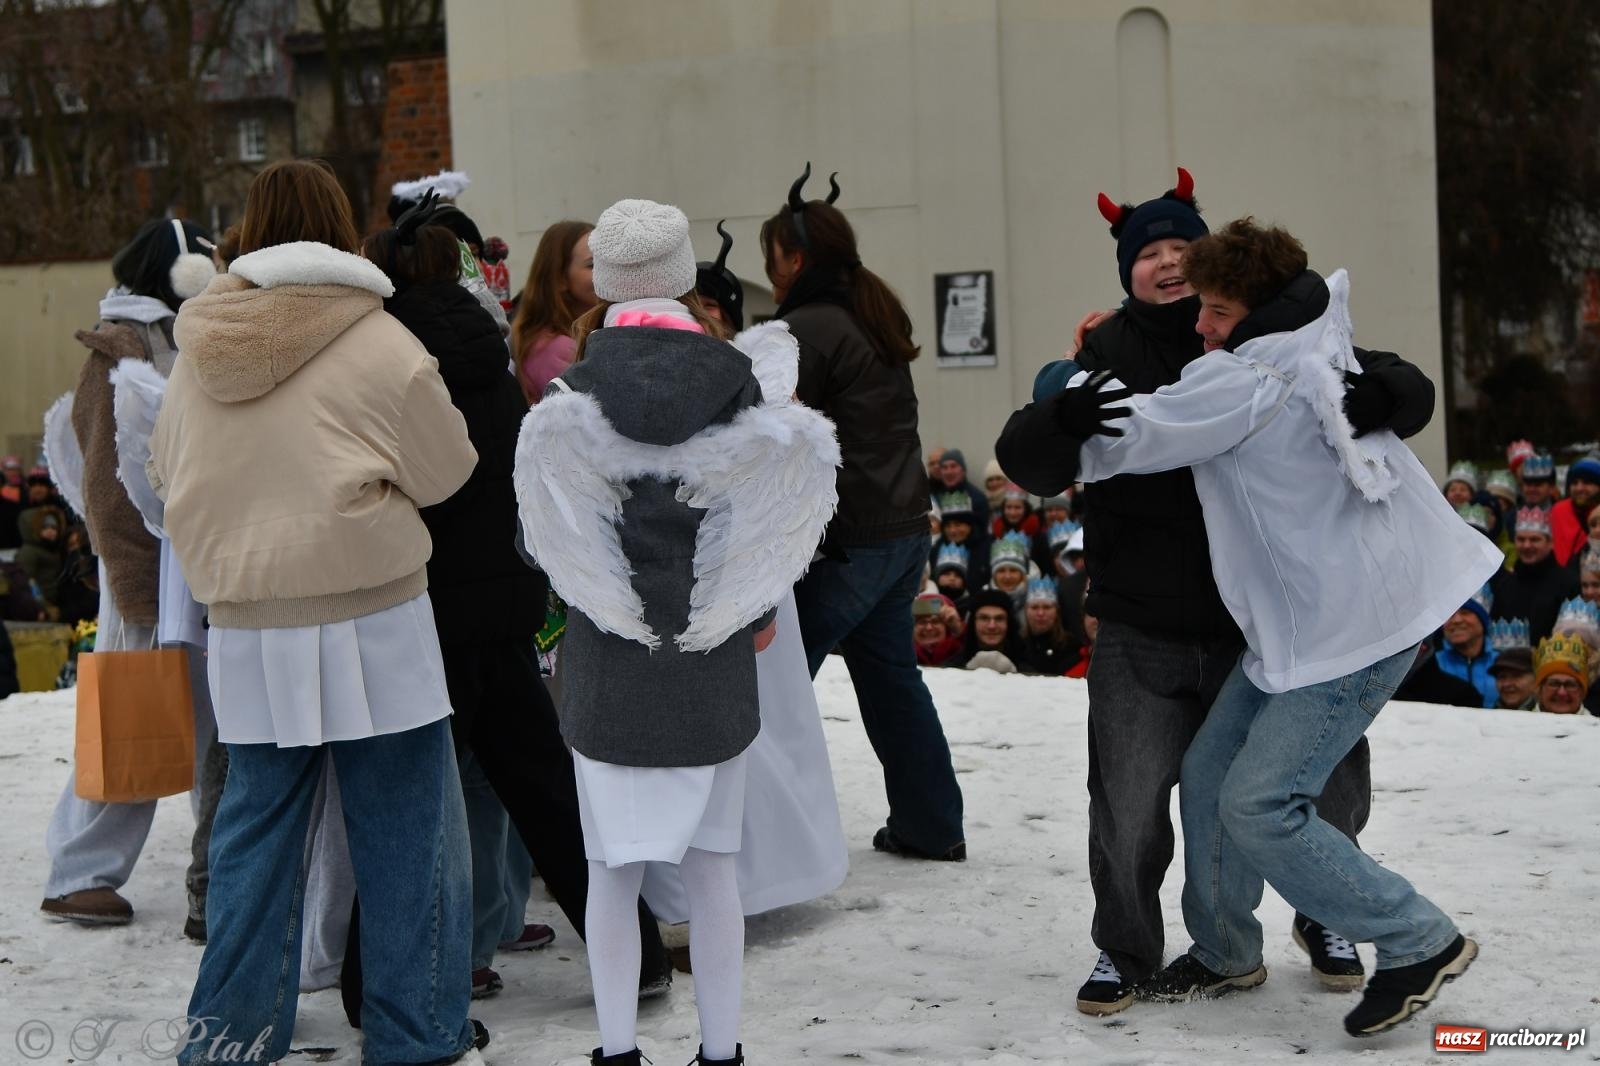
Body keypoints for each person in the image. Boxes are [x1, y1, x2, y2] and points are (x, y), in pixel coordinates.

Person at [994, 172, 1435, 1014]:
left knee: (1324, 781)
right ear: (1125, 273)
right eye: (1147, 253)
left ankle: (1328, 916)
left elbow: (1391, 380)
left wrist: (1393, 392)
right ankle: (1128, 947)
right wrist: (1058, 416)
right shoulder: (1106, 351)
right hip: (1143, 619)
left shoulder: (1280, 334)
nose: (1166, 264)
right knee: (1129, 802)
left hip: (1262, 621)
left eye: (1180, 247)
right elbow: (1038, 447)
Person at [1057, 217, 1499, 1036]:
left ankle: (1417, 938)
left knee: (1261, 803)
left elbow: (1130, 434)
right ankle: (1227, 950)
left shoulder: (1252, 377)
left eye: (1218, 311)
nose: (1200, 324)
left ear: (1256, 311)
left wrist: (1064, 395)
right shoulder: (1310, 337)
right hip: (1300, 626)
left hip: (1352, 631)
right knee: (1210, 772)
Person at [148, 159, 483, 1066]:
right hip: (372, 611)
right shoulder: (380, 340)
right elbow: (448, 470)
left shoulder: (197, 351)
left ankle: (229, 1036)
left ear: (249, 228)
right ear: (340, 224)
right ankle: (416, 1034)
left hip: (249, 618)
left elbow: (164, 473)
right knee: (408, 828)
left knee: (254, 831)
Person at [513, 197, 839, 1066]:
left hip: (608, 664)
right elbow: (757, 518)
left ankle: (618, 1050)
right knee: (713, 869)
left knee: (611, 873)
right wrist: (755, 613)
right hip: (711, 656)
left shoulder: (570, 391)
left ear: (609, 284)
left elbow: (539, 538)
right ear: (684, 276)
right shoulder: (739, 380)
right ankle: (721, 1051)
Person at [357, 202, 678, 1008]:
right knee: (546, 789)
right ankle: (636, 956)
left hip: (428, 601)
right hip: (503, 593)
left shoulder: (390, 356)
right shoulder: (487, 347)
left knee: (409, 798)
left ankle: (372, 983)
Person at [764, 164, 965, 862]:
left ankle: (769, 846)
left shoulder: (805, 330)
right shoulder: (871, 312)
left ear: (794, 258)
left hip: (847, 542)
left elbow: (774, 436)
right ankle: (931, 824)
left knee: (773, 691)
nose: (771, 271)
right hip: (901, 531)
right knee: (890, 681)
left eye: (773, 257)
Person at [40, 216, 223, 933]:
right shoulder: (121, 345)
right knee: (130, 721)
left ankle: (221, 865)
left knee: (216, 727)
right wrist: (131, 575)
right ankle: (79, 872)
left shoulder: (172, 336)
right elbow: (106, 479)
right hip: (145, 573)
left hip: (192, 568)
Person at [510, 219, 596, 403]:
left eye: (608, 263)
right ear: (559, 278)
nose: (605, 272)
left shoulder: (587, 332)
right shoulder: (554, 349)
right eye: (592, 265)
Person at [1491, 507, 1579, 642]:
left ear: (1550, 543)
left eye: (1534, 540)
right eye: (1521, 539)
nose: (1526, 545)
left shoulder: (1569, 584)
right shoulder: (1504, 585)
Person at [1434, 586, 1498, 708]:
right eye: (1449, 614)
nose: (1456, 620)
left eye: (1465, 612)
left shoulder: (1503, 663)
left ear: (1482, 620)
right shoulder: (1431, 665)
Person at [1019, 579, 1079, 676]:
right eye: (1034, 607)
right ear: (1026, 610)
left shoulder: (1072, 646)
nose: (1040, 613)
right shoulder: (1017, 644)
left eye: (1047, 607)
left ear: (1057, 611)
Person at [958, 588, 1026, 674]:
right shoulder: (952, 668)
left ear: (1009, 623)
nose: (992, 626)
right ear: (973, 623)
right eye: (984, 618)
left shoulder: (1029, 668)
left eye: (999, 618)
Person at [1550, 454, 1600, 567]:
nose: (1579, 488)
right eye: (1574, 483)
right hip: (1562, 575)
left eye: (1587, 483)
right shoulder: (1558, 511)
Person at [1533, 636, 1590, 715]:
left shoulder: (1595, 723)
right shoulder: (1520, 722)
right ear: (1540, 690)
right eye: (1554, 684)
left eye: (1570, 685)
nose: (1562, 693)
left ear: (1582, 692)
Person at [913, 591, 964, 667]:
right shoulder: (899, 656)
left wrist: (959, 630)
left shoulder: (965, 654)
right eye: (922, 622)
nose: (929, 628)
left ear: (948, 628)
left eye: (935, 621)